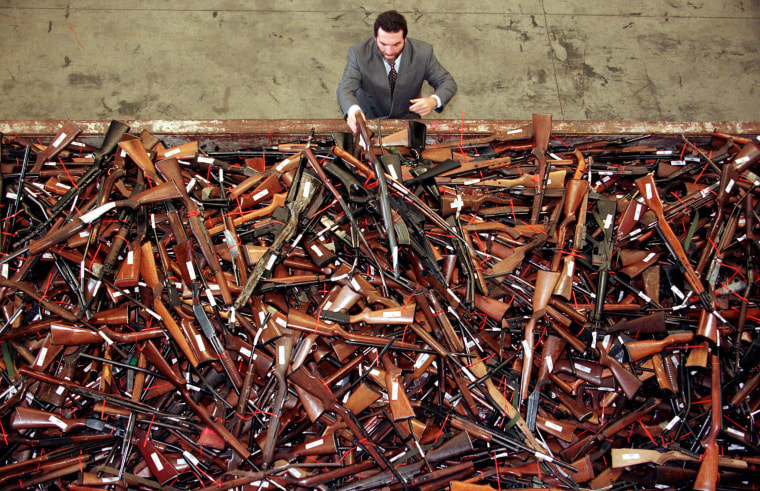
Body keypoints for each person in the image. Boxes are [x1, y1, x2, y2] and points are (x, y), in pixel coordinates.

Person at [337, 10, 457, 133]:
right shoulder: (358, 53)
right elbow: (345, 88)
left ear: (405, 39)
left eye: (396, 44)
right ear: (375, 38)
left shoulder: (423, 53)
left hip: (408, 126)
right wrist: (353, 111)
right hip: (368, 123)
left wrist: (433, 100)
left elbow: (447, 82)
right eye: (383, 44)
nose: (389, 51)